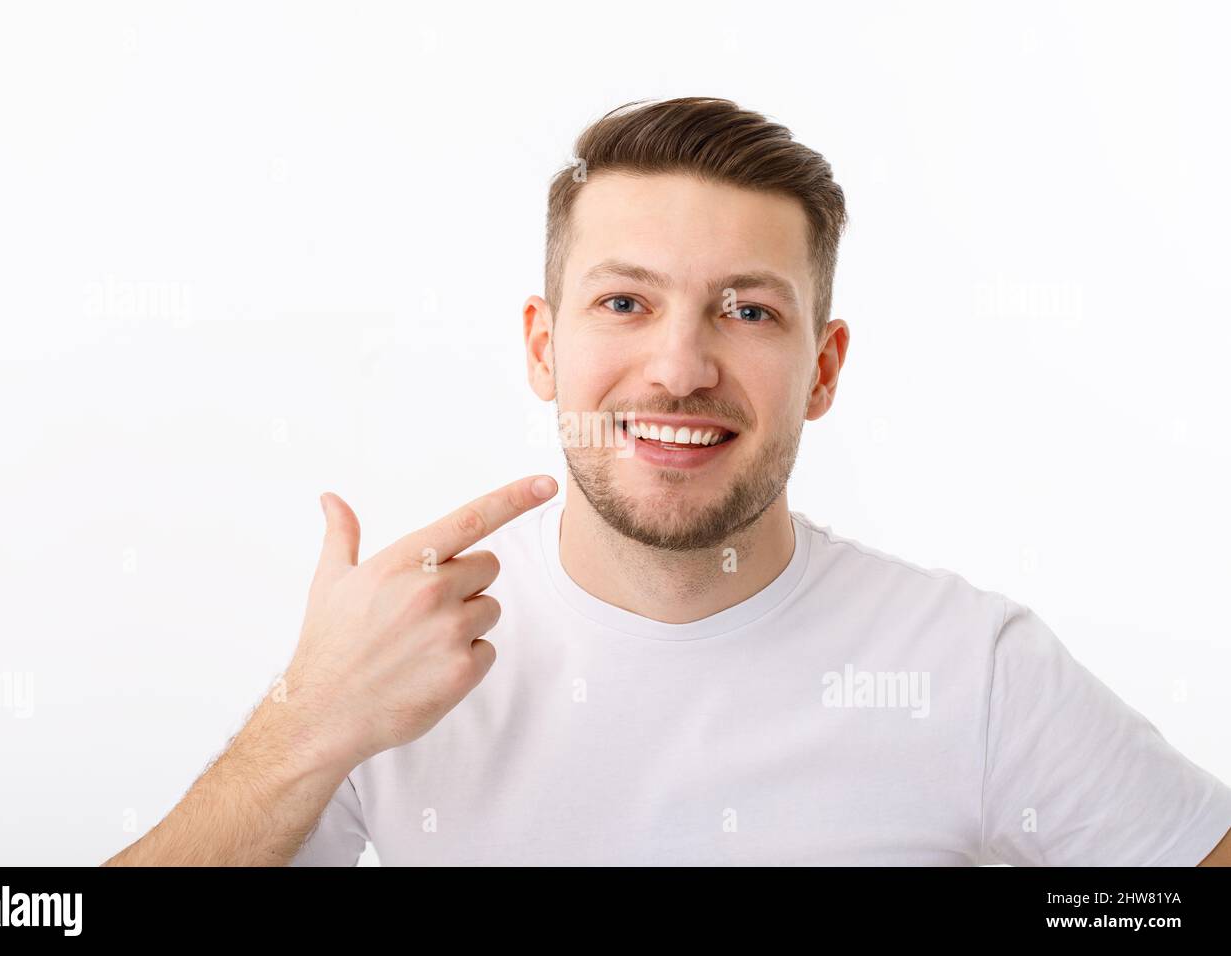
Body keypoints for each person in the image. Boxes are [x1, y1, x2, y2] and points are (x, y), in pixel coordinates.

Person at [104, 97, 1231, 867]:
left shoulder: (974, 670)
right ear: (543, 346)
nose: (681, 369)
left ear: (823, 368)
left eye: (747, 310)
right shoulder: (396, 657)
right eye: (625, 302)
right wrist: (308, 721)